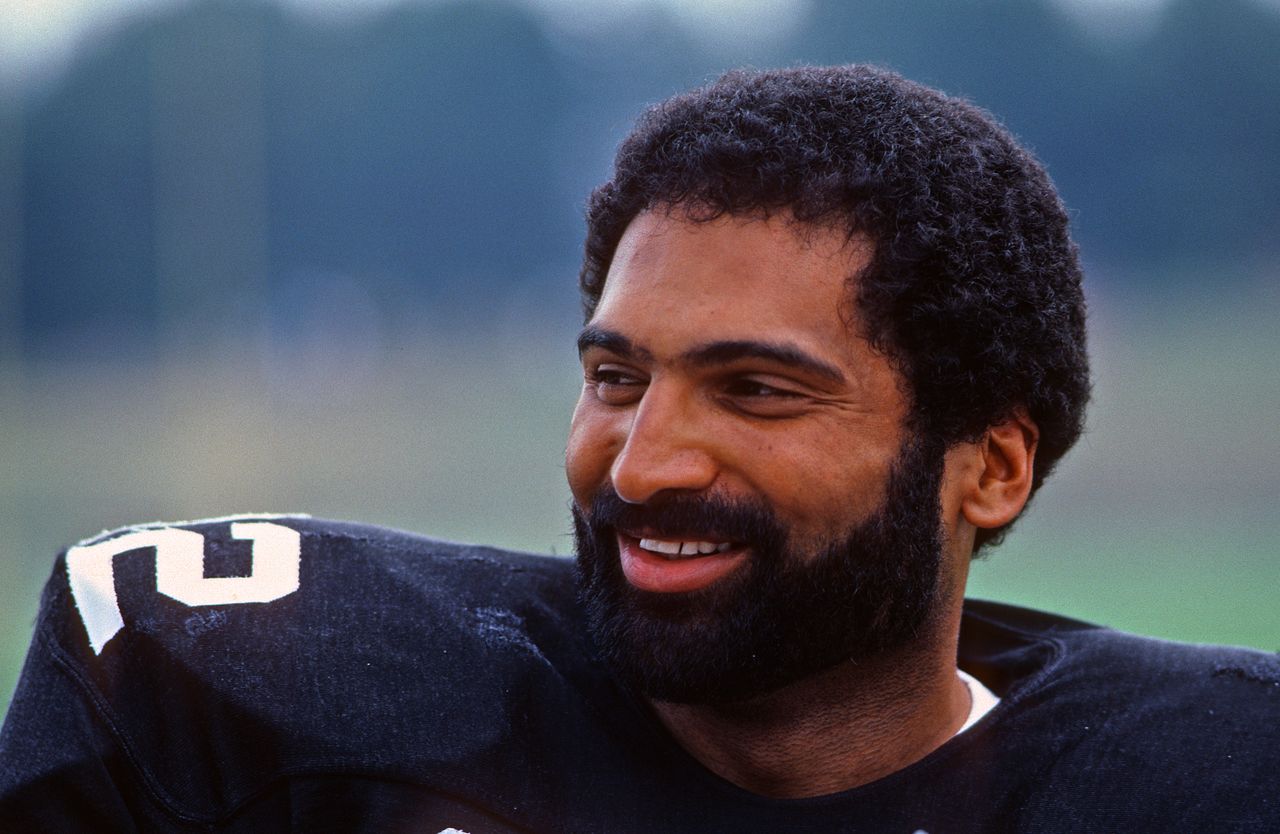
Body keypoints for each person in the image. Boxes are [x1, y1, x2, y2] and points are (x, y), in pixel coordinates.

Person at [1, 64, 1276, 833]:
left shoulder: (1204, 777)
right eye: (616, 377)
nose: (642, 463)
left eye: (758, 392)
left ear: (988, 466)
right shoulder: (241, 701)